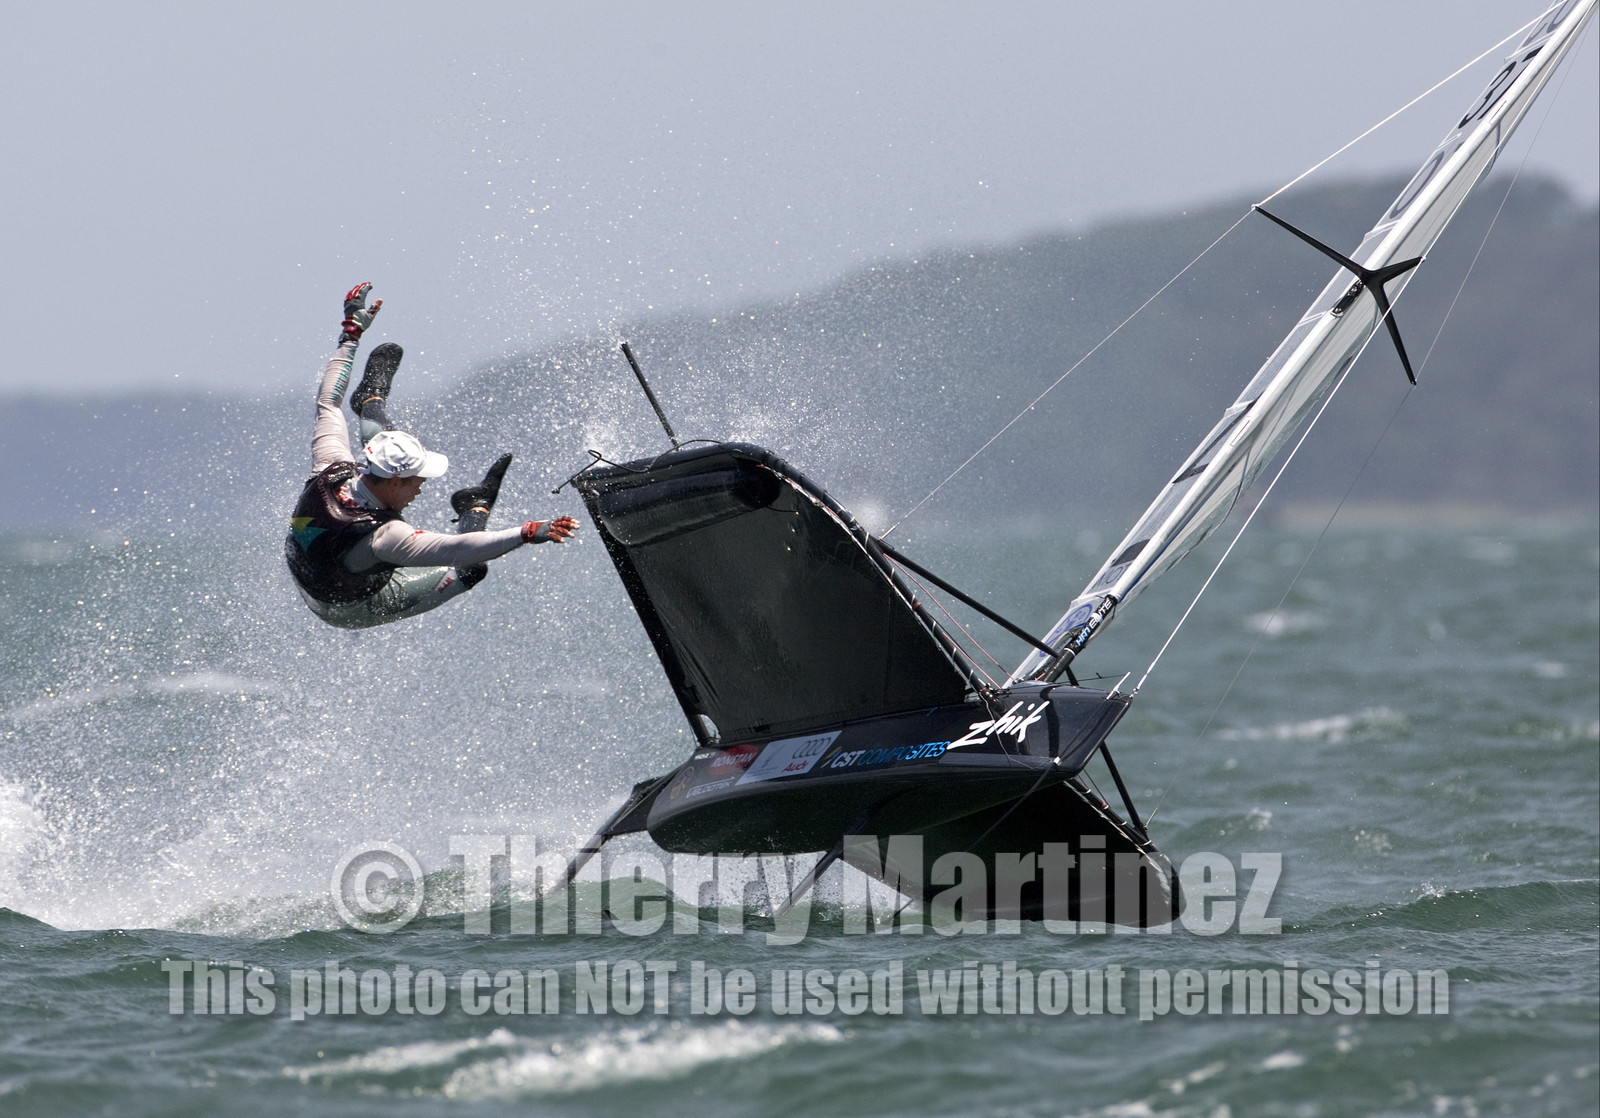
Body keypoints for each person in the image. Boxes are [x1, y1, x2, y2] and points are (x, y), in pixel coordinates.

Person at [284, 282, 578, 628]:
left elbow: (328, 401)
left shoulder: (332, 469)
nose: (421, 488)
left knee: (380, 439)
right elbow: (459, 551)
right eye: (417, 481)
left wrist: (351, 333)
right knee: (470, 571)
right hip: (349, 607)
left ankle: (370, 402)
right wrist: (527, 532)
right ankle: (474, 507)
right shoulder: (386, 537)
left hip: (324, 564)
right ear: (395, 481)